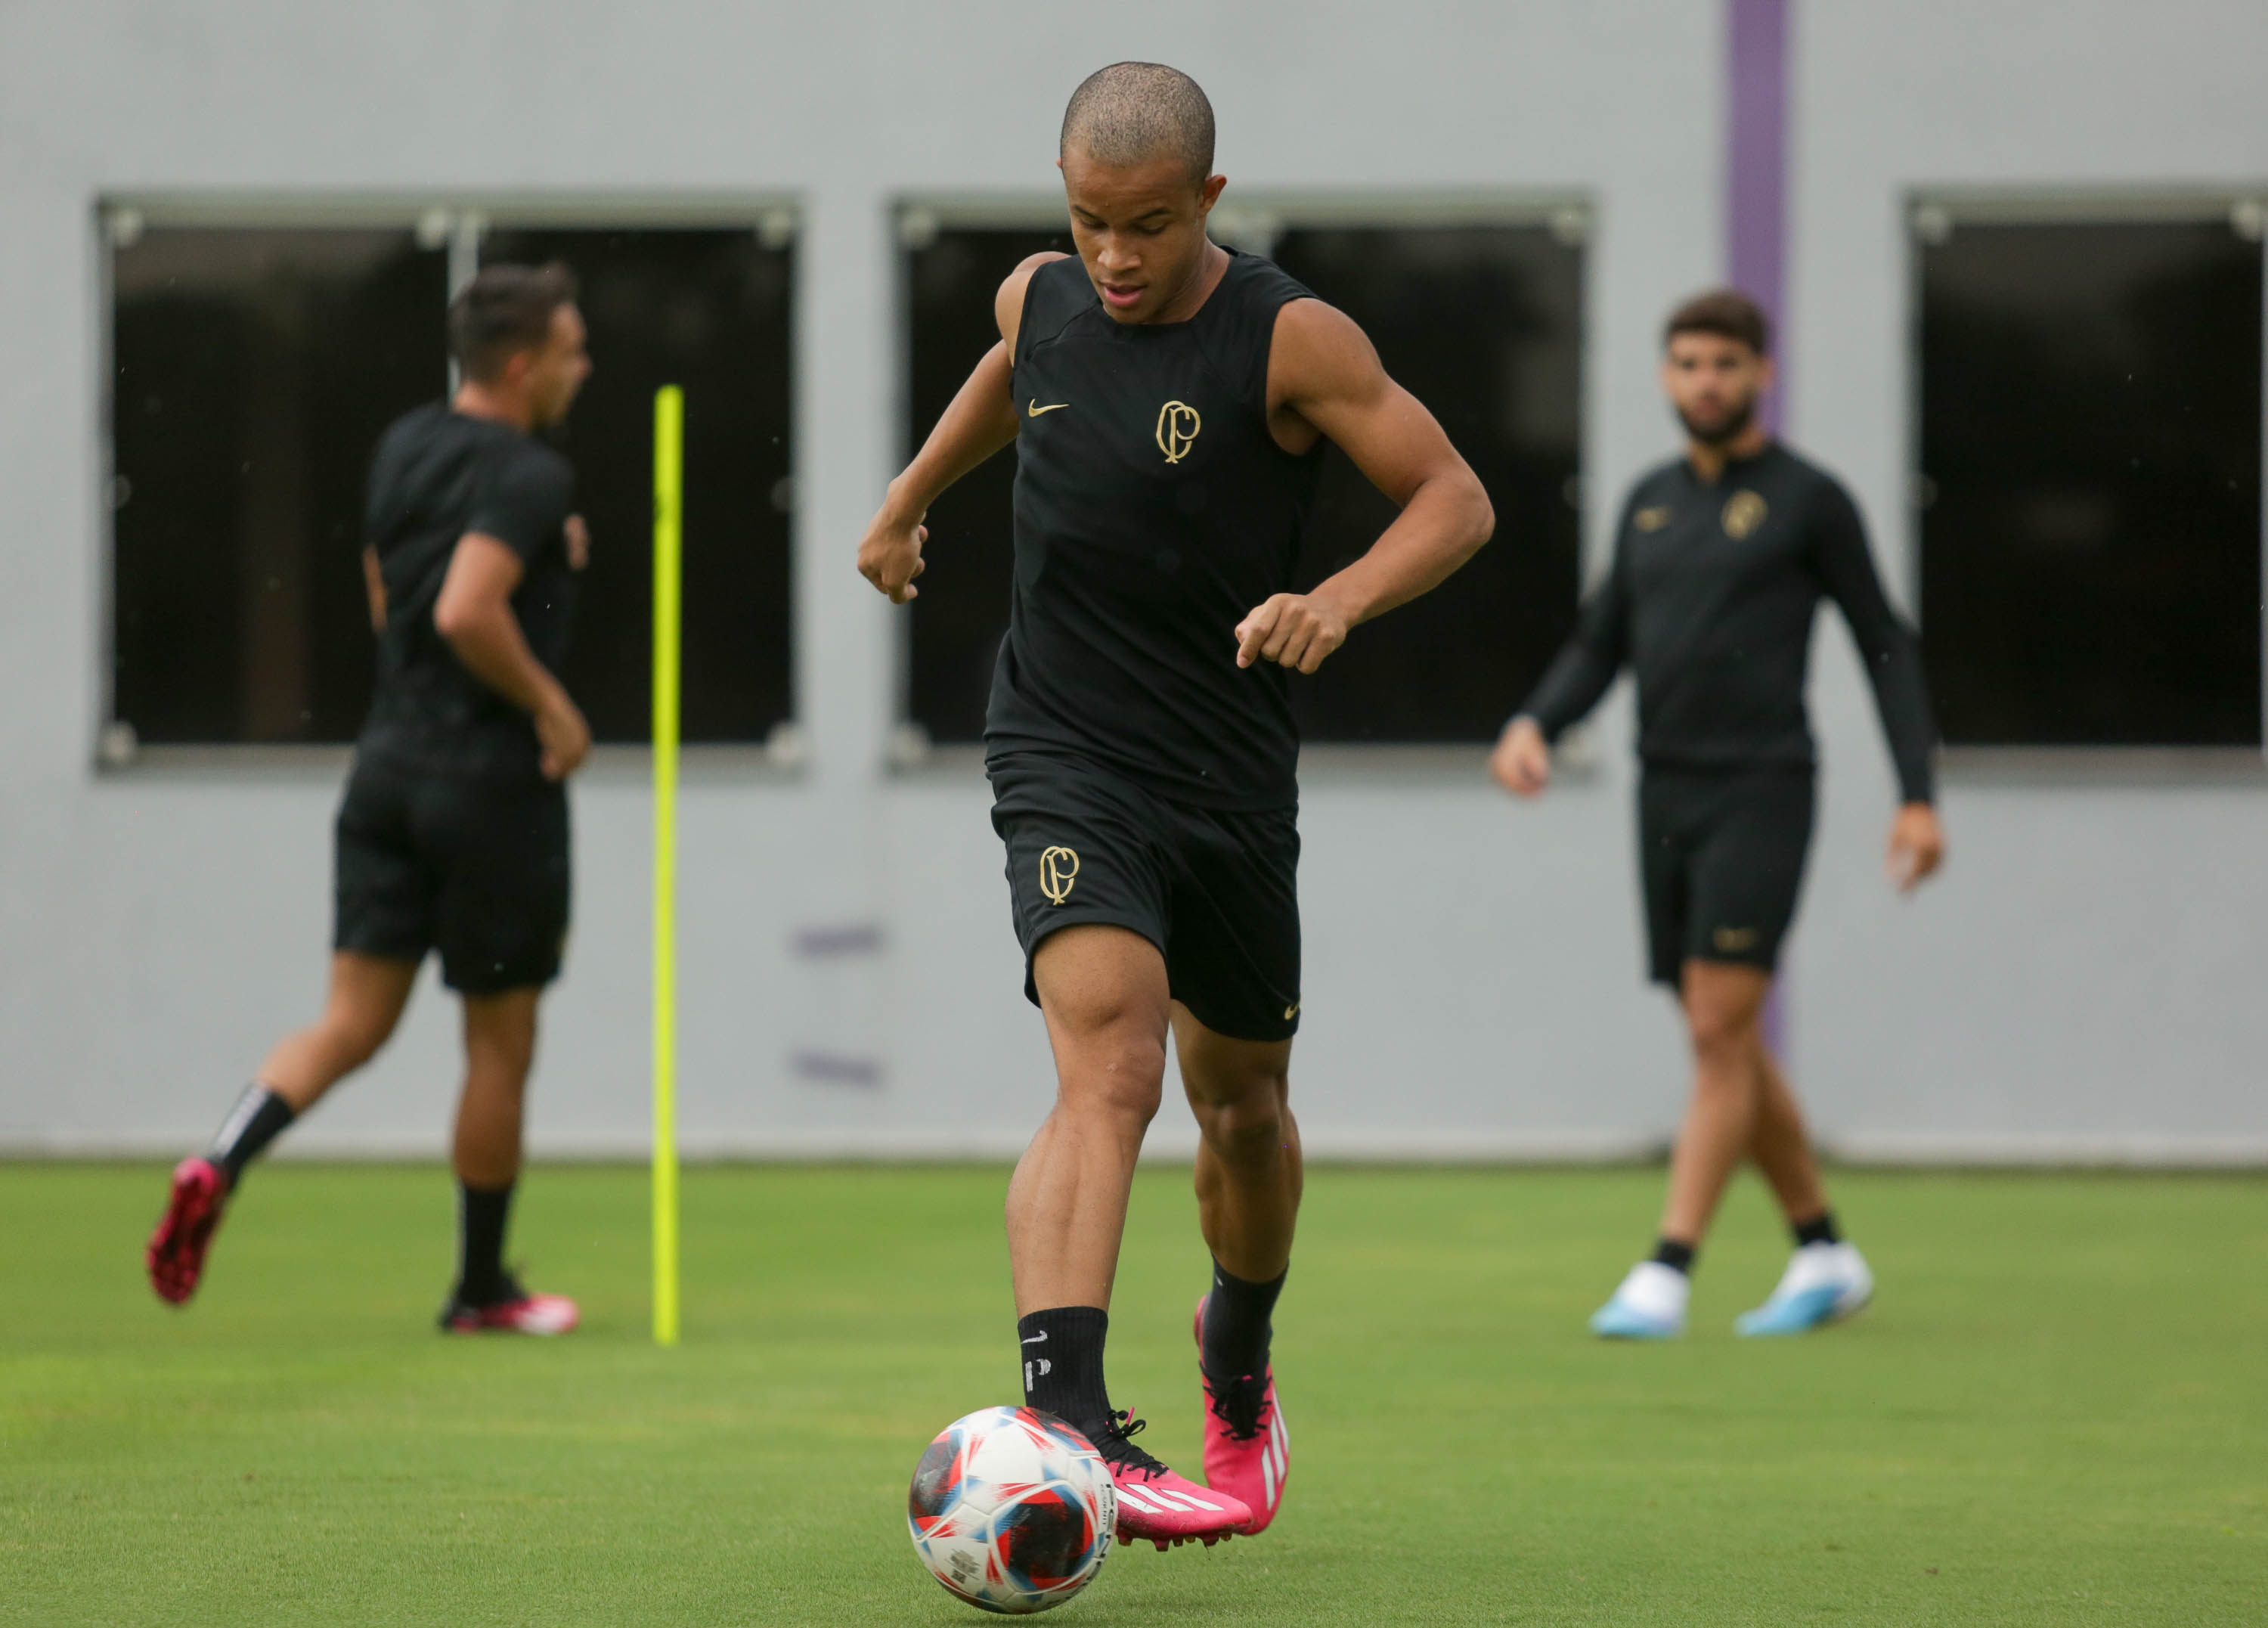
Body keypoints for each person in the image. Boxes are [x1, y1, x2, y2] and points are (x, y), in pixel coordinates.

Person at [858, 62, 1492, 1546]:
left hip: (1227, 778)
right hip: (1061, 751)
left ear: (1209, 196)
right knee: (1110, 1065)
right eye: (1091, 222)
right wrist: (907, 499)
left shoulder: (1289, 337)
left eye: (1147, 225)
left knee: (1245, 1111)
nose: (1115, 257)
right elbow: (1010, 372)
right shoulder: (1041, 297)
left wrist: (1337, 599)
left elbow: (1455, 499)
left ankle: (1239, 1353)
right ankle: (1071, 1425)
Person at [145, 262, 596, 1336]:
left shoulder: (402, 445)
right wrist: (553, 709)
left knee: (350, 1021)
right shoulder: (532, 472)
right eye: (571, 352)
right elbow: (463, 607)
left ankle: (220, 1160)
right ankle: (480, 1289)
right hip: (492, 791)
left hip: (387, 768)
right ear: (521, 366)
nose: (583, 370)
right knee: (499, 1045)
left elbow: (388, 594)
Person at [1491, 289, 1944, 1341]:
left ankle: (1668, 1267)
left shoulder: (1809, 501)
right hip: (1665, 792)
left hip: (1764, 787)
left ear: (1762, 374)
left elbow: (1885, 643)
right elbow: (1602, 640)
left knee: (1716, 1025)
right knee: (1722, 1031)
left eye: (1726, 364)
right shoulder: (1649, 502)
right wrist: (1535, 722)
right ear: (1667, 375)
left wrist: (1918, 796)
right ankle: (1824, 1249)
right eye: (1689, 363)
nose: (1707, 381)